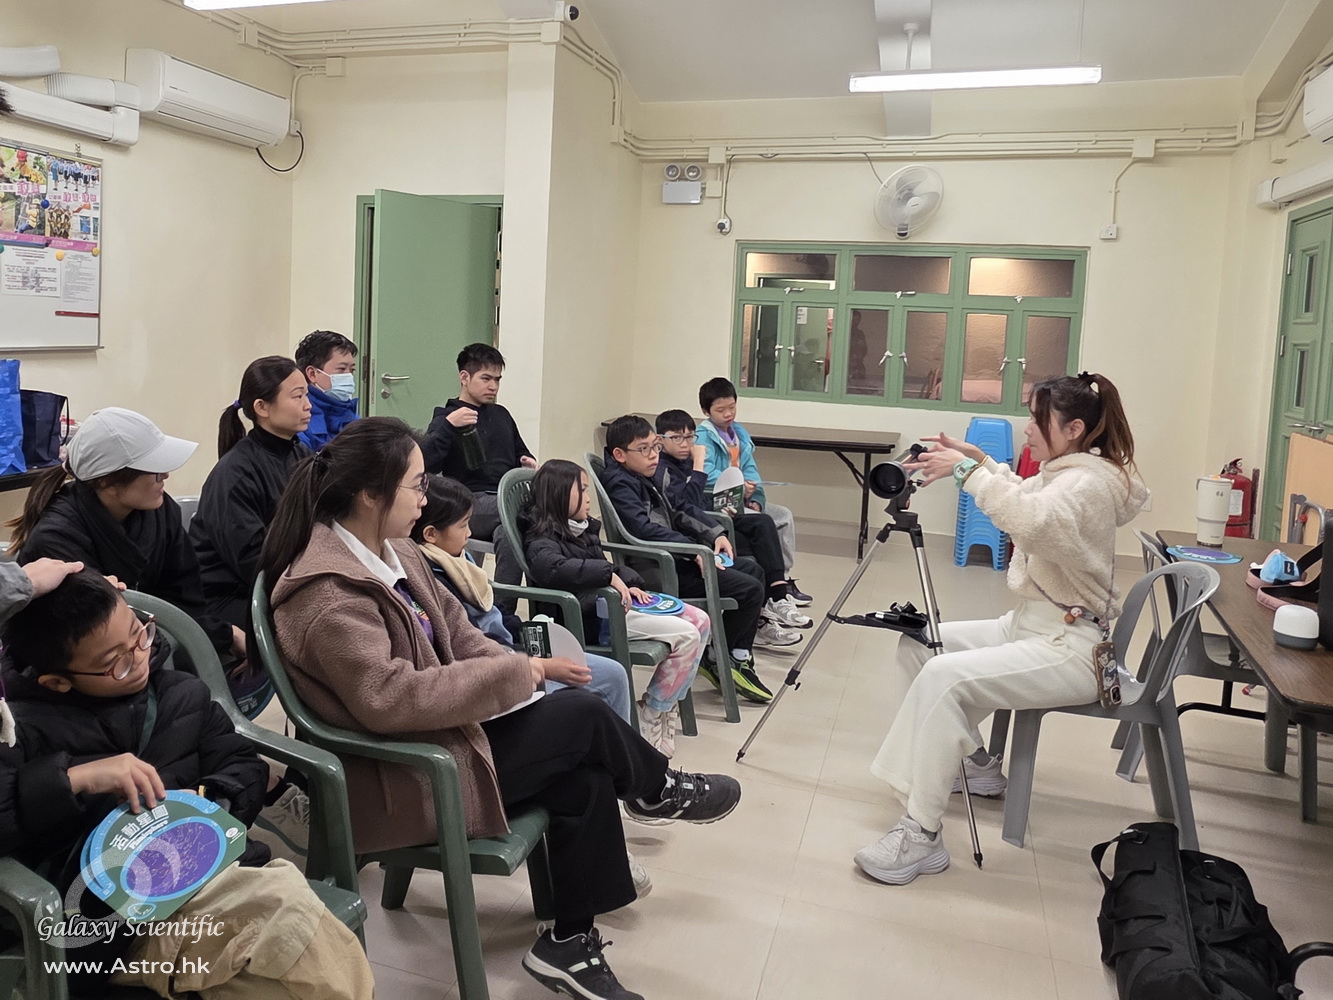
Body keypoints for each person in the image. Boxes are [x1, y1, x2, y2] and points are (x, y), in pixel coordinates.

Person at [260, 417, 741, 1000]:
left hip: (445, 739)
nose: (425, 497)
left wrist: (515, 672)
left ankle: (570, 942)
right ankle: (655, 788)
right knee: (583, 716)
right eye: (417, 485)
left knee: (587, 778)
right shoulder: (326, 592)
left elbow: (460, 632)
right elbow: (390, 700)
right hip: (403, 774)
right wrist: (521, 673)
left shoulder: (395, 552)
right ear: (369, 494)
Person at [0, 570, 374, 999]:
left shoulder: (179, 694)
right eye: (116, 662)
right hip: (113, 923)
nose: (140, 657)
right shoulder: (18, 730)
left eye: (139, 634)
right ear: (57, 681)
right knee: (285, 911)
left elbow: (240, 764)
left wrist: (206, 800)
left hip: (203, 875)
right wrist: (73, 779)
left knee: (280, 968)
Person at [855, 372, 1148, 886]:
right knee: (920, 643)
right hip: (1032, 626)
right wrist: (981, 461)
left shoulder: (1087, 485)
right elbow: (1026, 494)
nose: (1027, 428)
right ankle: (974, 764)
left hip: (1070, 646)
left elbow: (1032, 520)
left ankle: (921, 834)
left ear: (1075, 429)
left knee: (943, 676)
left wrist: (967, 471)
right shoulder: (1069, 473)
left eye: (1037, 419)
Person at [8, 407, 243, 663]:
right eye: (154, 470)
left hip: (149, 646)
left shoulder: (161, 511)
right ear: (107, 482)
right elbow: (94, 633)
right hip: (91, 665)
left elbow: (186, 598)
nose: (165, 475)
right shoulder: (56, 539)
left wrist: (218, 633)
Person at [599, 414, 801, 706]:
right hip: (658, 568)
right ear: (620, 454)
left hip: (675, 556)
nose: (653, 455)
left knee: (754, 570)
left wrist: (715, 534)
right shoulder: (620, 483)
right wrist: (693, 550)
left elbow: (681, 508)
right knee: (749, 589)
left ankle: (735, 656)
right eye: (644, 449)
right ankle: (718, 656)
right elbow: (643, 530)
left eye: (655, 446)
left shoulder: (645, 474)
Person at [410, 473, 636, 728]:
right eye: (463, 526)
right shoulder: (430, 579)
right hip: (500, 667)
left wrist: (528, 633)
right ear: (431, 534)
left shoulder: (458, 561)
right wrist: (536, 663)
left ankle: (624, 752)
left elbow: (493, 612)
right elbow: (471, 642)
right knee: (587, 700)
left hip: (515, 647)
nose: (470, 533)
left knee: (614, 673)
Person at [522, 459, 712, 757]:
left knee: (701, 620)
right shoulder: (540, 537)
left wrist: (629, 581)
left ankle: (664, 706)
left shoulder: (582, 528)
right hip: (594, 618)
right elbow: (553, 568)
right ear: (559, 495)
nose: (589, 499)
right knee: (687, 636)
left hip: (615, 604)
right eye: (582, 491)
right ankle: (653, 711)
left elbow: (601, 565)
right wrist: (608, 575)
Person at [656, 409, 811, 631]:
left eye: (689, 437)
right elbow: (686, 506)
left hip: (709, 519)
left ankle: (777, 595)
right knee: (757, 549)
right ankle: (764, 614)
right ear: (660, 440)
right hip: (697, 532)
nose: (685, 444)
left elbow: (696, 502)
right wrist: (699, 463)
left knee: (763, 522)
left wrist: (730, 503)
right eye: (677, 437)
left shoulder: (736, 436)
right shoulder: (665, 468)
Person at [191, 356, 312, 633]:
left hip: (280, 579)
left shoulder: (301, 455)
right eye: (297, 396)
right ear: (262, 407)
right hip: (232, 596)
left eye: (307, 395)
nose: (308, 405)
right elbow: (254, 562)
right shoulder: (234, 475)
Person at [420, 343, 533, 598]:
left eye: (497, 380)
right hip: (470, 502)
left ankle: (504, 609)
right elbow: (425, 463)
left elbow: (521, 452)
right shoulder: (447, 417)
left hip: (503, 502)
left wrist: (528, 462)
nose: (493, 386)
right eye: (486, 378)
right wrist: (449, 426)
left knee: (511, 532)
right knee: (531, 514)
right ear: (464, 377)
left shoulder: (502, 415)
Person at [696, 377, 813, 606]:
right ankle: (776, 588)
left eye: (732, 407)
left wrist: (756, 498)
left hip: (743, 498)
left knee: (783, 516)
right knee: (764, 522)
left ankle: (783, 578)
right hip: (720, 502)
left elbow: (751, 471)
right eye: (720, 410)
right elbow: (706, 474)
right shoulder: (703, 437)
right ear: (706, 411)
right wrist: (737, 485)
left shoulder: (739, 434)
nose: (728, 414)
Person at [294, 329, 359, 452]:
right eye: (341, 369)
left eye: (352, 370)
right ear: (312, 374)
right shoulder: (300, 420)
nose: (349, 376)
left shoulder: (351, 416)